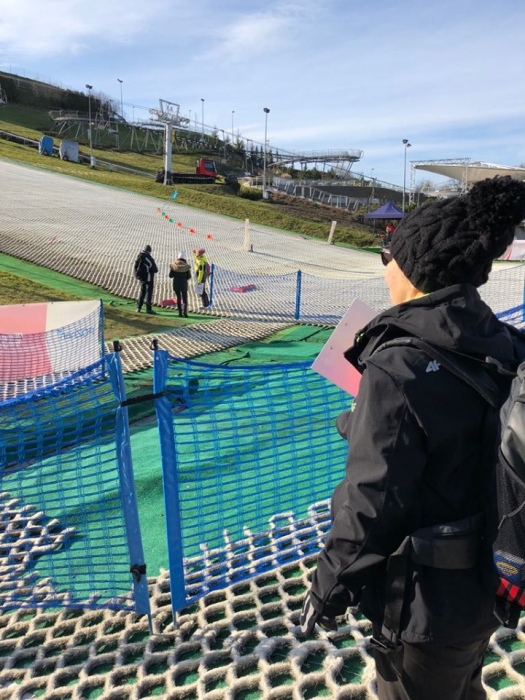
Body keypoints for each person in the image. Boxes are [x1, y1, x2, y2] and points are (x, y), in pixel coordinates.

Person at [300, 176, 525, 700]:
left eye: (389, 254)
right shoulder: (506, 342)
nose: (385, 266)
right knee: (463, 684)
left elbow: (373, 501)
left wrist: (330, 586)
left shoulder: (398, 364)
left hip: (424, 601)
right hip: (489, 578)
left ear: (413, 266)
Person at [135, 244, 158, 314]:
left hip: (141, 277)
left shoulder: (139, 256)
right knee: (148, 293)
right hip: (148, 278)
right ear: (149, 251)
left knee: (142, 292)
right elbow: (155, 269)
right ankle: (148, 309)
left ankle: (138, 307)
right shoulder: (148, 258)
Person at [169, 251, 191, 317]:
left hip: (176, 283)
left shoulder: (174, 265)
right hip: (183, 283)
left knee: (178, 298)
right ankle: (185, 312)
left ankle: (180, 313)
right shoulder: (186, 266)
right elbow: (189, 276)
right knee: (184, 298)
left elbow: (170, 276)